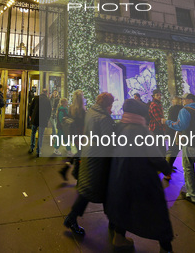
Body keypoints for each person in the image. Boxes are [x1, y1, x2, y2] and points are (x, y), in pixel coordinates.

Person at [105, 99, 174, 250]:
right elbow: (154, 156)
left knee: (123, 207)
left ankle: (119, 237)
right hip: (142, 179)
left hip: (120, 176)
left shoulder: (119, 127)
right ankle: (166, 246)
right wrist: (167, 168)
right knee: (157, 213)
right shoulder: (141, 130)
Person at [63, 93, 115, 237]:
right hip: (98, 159)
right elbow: (108, 142)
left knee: (90, 190)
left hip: (89, 154)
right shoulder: (104, 118)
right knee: (94, 191)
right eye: (111, 104)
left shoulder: (92, 112)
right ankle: (72, 218)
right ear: (108, 104)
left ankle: (113, 220)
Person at [59, 90, 87, 180]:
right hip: (80, 135)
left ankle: (68, 170)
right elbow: (84, 124)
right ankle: (73, 172)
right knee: (79, 153)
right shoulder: (83, 110)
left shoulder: (71, 108)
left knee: (79, 152)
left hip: (73, 134)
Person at [164, 96, 184, 180]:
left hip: (173, 132)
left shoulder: (172, 109)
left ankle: (167, 171)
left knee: (172, 150)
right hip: (181, 132)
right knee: (176, 150)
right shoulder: (183, 109)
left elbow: (170, 121)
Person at [28, 88, 52, 156]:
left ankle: (31, 147)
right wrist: (47, 119)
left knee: (33, 133)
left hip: (35, 118)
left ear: (41, 92)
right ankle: (38, 151)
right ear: (46, 93)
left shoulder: (36, 98)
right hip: (43, 120)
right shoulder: (48, 100)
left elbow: (31, 107)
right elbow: (49, 111)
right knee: (40, 135)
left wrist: (30, 115)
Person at [149, 89, 167, 156]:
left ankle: (164, 162)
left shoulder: (158, 103)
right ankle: (162, 163)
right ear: (154, 96)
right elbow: (158, 119)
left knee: (161, 145)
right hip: (156, 127)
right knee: (160, 146)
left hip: (157, 127)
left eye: (160, 95)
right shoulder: (154, 105)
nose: (159, 96)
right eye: (157, 95)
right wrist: (164, 125)